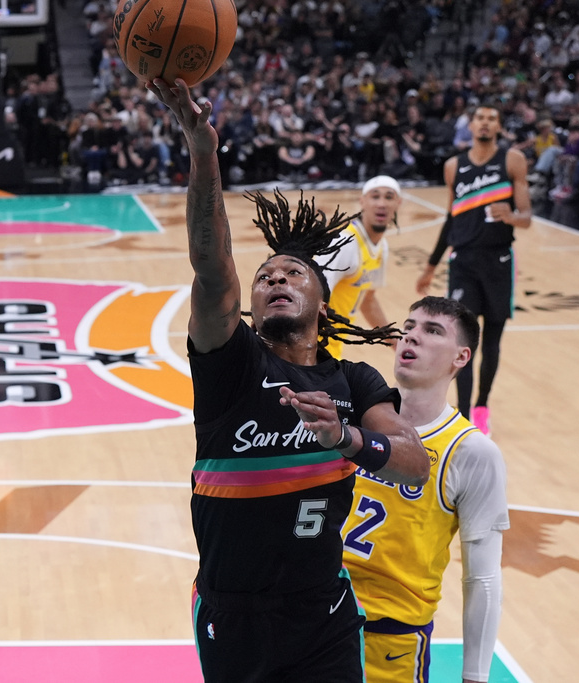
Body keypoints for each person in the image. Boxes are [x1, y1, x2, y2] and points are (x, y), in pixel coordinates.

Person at [146, 77, 430, 683]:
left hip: (323, 609)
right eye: (265, 275)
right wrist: (203, 152)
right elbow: (212, 264)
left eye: (293, 273)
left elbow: (412, 462)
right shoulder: (234, 363)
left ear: (323, 305)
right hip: (234, 615)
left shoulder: (354, 379)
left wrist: (349, 441)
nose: (275, 278)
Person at [344, 296, 509, 683]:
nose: (411, 337)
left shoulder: (471, 452)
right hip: (311, 620)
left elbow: (482, 577)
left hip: (390, 644)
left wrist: (475, 677)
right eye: (410, 326)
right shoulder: (350, 415)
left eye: (432, 331)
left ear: (461, 358)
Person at [416, 101, 532, 436]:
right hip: (463, 262)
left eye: (491, 119)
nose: (484, 123)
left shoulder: (512, 160)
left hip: (498, 260)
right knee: (462, 342)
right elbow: (451, 219)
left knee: (492, 339)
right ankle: (463, 412)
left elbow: (526, 217)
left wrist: (510, 216)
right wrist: (430, 265)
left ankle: (482, 406)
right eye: (479, 118)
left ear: (498, 126)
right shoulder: (454, 166)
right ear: (471, 125)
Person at [315, 175, 403, 358]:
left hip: (332, 348)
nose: (382, 204)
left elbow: (368, 301)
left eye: (389, 197)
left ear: (398, 204)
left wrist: (395, 342)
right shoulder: (345, 243)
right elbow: (311, 295)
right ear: (362, 201)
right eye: (375, 196)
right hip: (314, 349)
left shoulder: (381, 247)